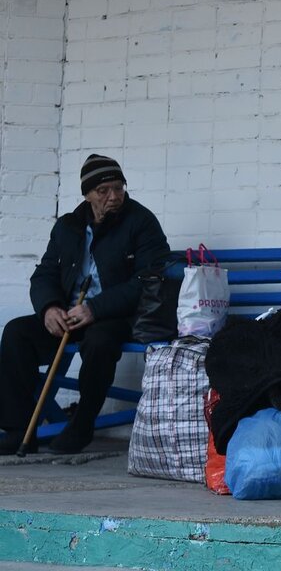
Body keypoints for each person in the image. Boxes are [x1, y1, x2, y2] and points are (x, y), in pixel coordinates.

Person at [0, 155, 169, 455]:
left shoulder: (141, 222)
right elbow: (45, 274)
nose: (113, 196)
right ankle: (17, 428)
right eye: (103, 191)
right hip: (70, 313)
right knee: (16, 333)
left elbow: (148, 281)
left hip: (118, 316)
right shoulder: (68, 226)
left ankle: (83, 423)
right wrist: (50, 308)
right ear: (87, 194)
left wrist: (96, 308)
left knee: (100, 339)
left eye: (118, 188)